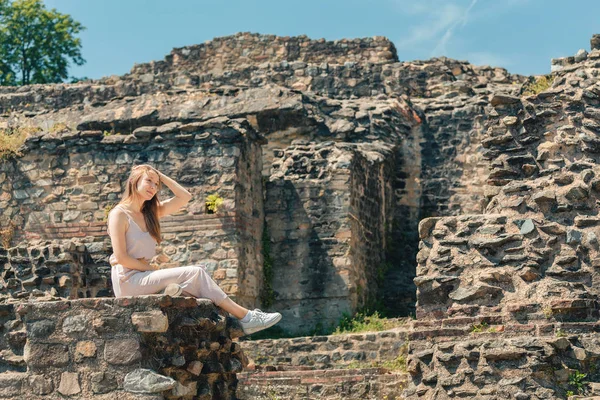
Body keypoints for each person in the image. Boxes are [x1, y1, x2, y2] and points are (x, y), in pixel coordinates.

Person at [106, 164, 281, 335]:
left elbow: (185, 197)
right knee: (195, 273)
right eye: (149, 181)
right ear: (134, 181)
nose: (153, 187)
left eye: (156, 184)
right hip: (128, 281)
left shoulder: (150, 213)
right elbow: (121, 258)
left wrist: (159, 174)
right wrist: (151, 268)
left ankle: (230, 321)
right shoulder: (119, 214)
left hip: (144, 277)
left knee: (195, 281)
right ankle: (246, 317)